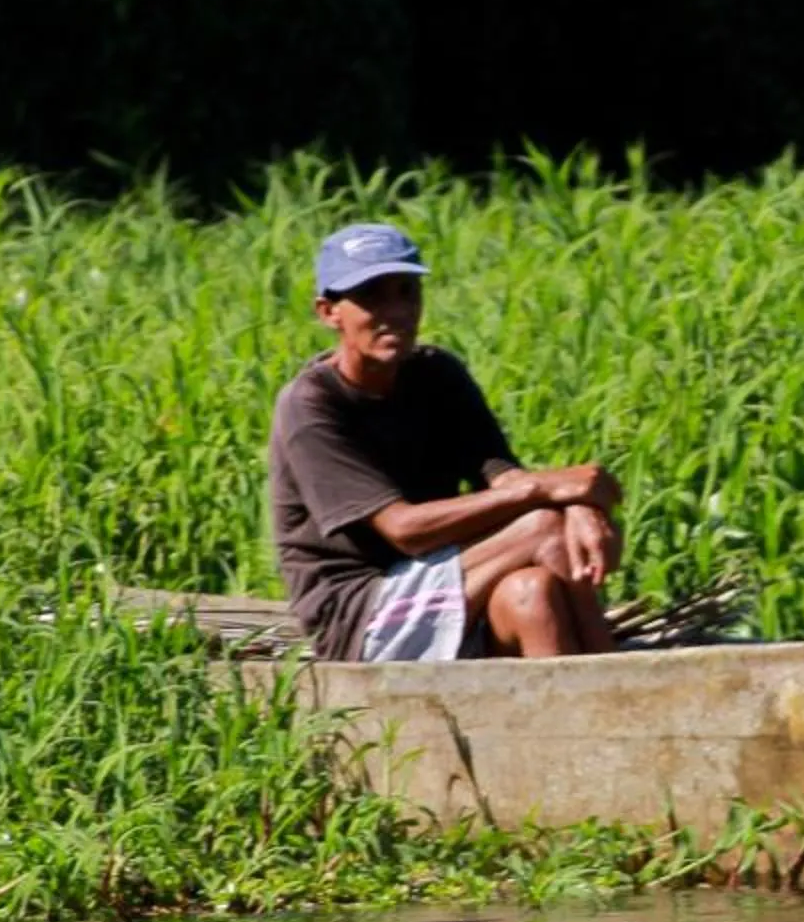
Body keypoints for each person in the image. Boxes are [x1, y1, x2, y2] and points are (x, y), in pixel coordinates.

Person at [266, 221, 623, 661]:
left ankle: (573, 710)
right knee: (544, 528)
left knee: (531, 592)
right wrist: (547, 493)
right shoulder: (312, 404)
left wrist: (578, 504)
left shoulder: (437, 375)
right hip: (361, 615)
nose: (395, 311)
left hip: (444, 581)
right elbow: (405, 531)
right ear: (328, 312)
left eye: (406, 292)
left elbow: (505, 478)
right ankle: (617, 669)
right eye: (372, 296)